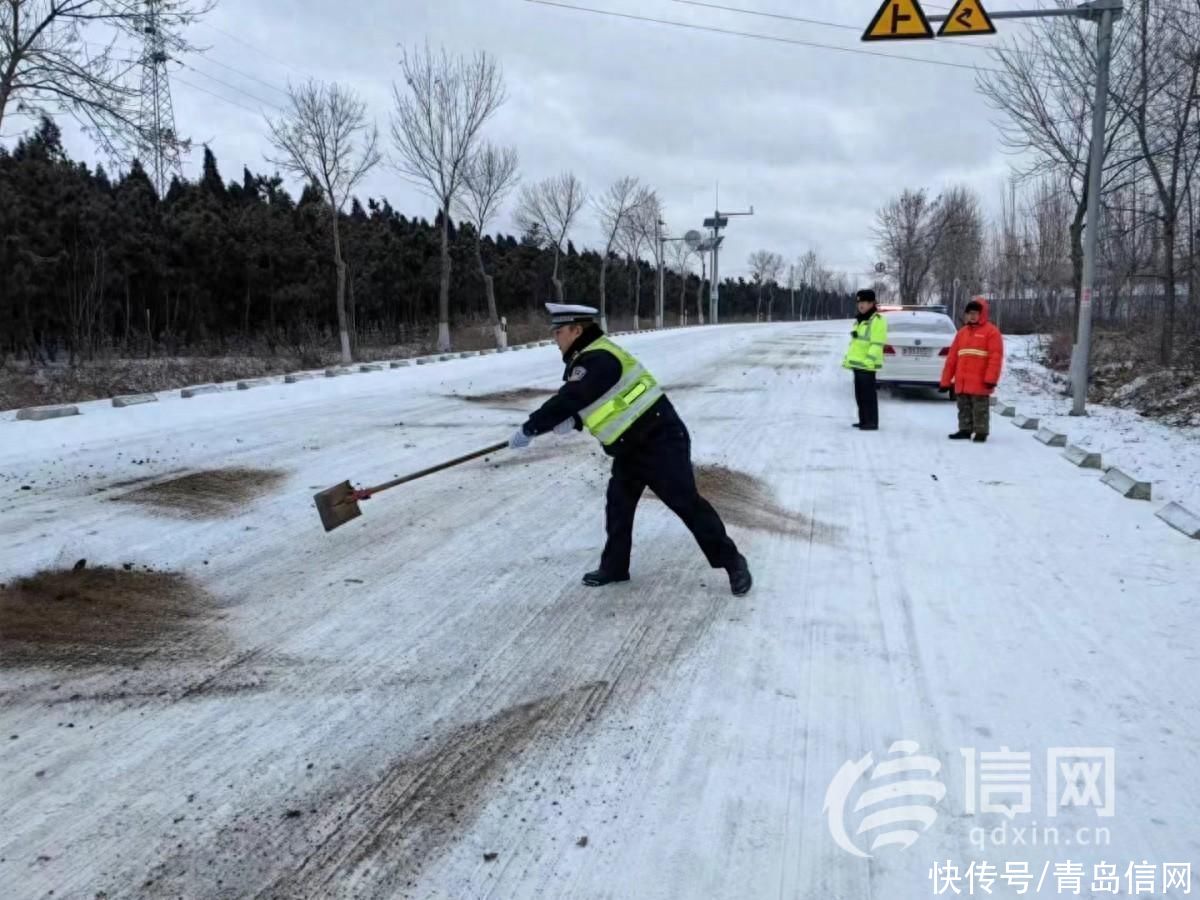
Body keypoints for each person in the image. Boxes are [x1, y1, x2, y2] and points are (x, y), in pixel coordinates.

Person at [508, 303, 753, 596]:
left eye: (559, 332)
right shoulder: (590, 357)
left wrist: (532, 427)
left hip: (659, 441)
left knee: (687, 504)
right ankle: (614, 567)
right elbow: (607, 401)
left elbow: (571, 397)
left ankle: (733, 563)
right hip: (628, 448)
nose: (555, 339)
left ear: (577, 330)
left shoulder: (598, 357)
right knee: (618, 507)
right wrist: (574, 420)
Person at [939, 297, 1003, 443]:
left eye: (975, 313)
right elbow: (952, 359)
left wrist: (991, 379)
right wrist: (945, 381)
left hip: (980, 381)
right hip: (962, 381)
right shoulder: (961, 333)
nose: (972, 316)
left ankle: (981, 432)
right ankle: (965, 430)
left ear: (982, 314)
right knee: (963, 407)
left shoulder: (991, 332)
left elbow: (995, 358)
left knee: (980, 409)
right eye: (969, 313)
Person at [843, 289, 888, 431]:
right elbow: (856, 343)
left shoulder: (877, 320)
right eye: (859, 303)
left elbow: (877, 343)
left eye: (864, 302)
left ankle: (871, 422)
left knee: (868, 396)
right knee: (860, 395)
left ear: (871, 303)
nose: (860, 305)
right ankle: (863, 420)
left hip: (867, 365)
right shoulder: (860, 320)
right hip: (858, 364)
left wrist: (869, 360)